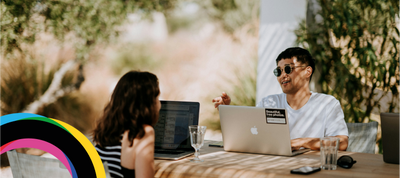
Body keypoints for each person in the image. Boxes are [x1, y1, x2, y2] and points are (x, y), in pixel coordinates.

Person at [212, 47, 349, 151]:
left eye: (288, 69)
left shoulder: (327, 104)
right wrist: (228, 109)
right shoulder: (269, 102)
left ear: (307, 71)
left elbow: (342, 142)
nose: (283, 75)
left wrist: (300, 142)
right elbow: (249, 135)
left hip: (311, 169)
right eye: (279, 71)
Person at [93, 71, 161, 178]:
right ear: (146, 104)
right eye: (156, 98)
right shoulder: (142, 133)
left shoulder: (106, 130)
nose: (159, 103)